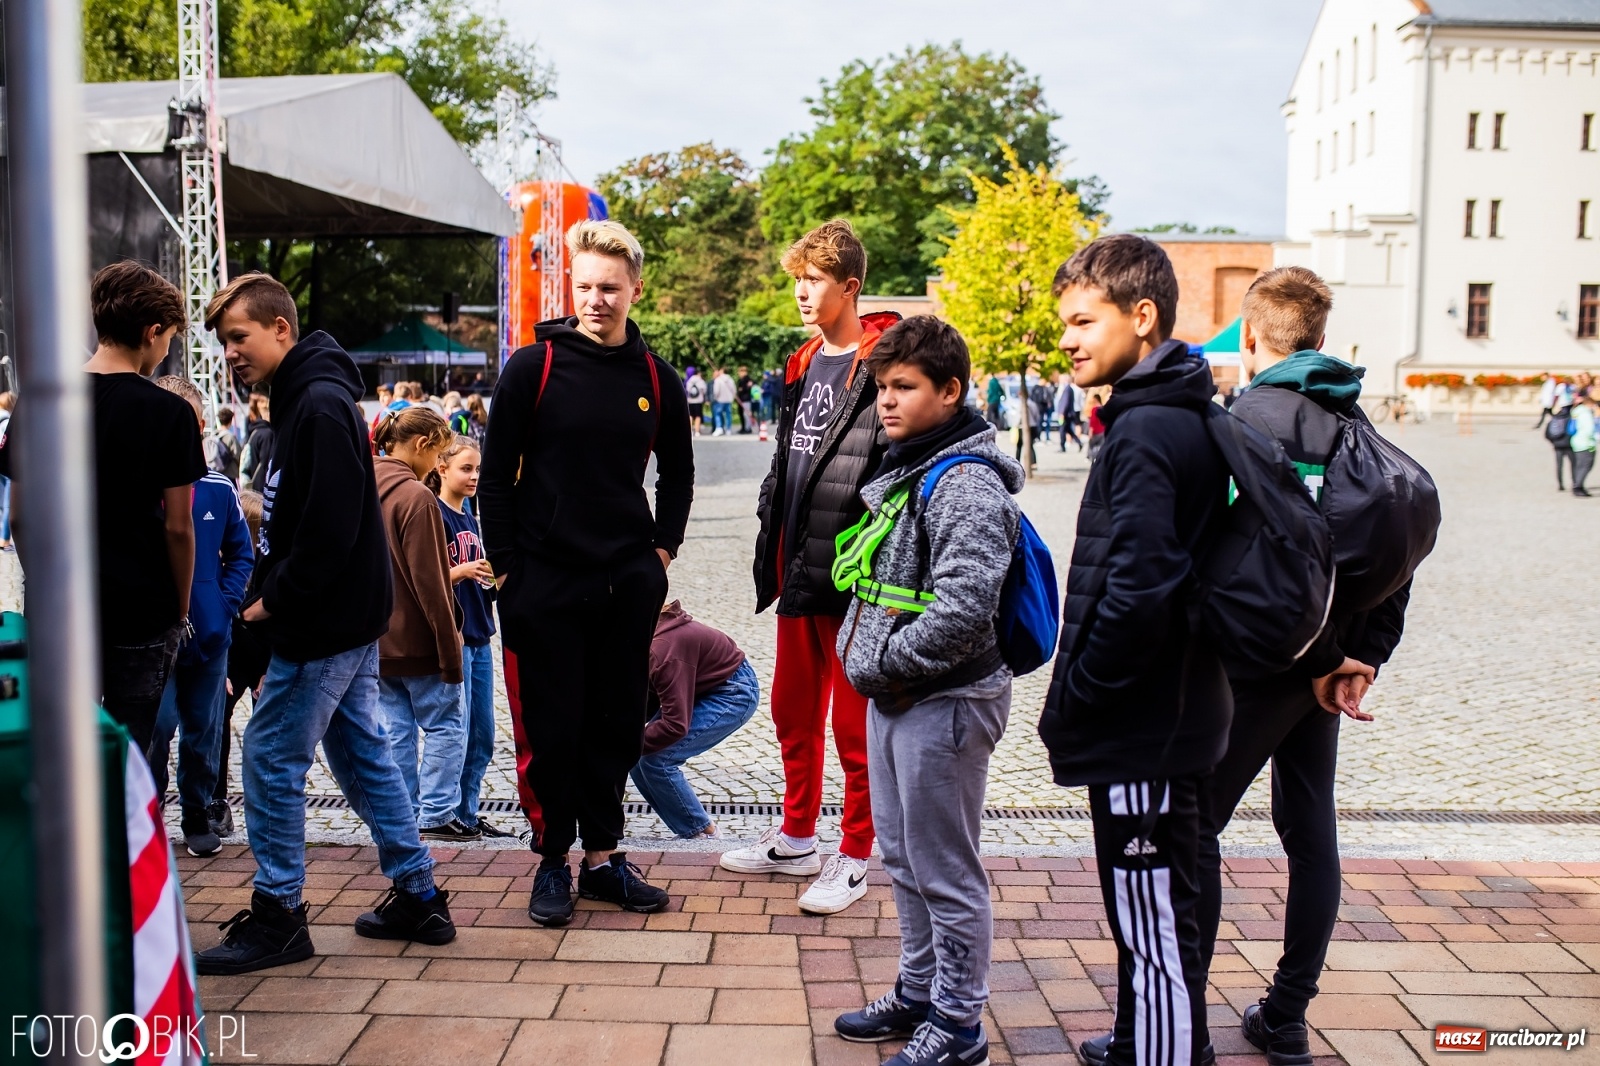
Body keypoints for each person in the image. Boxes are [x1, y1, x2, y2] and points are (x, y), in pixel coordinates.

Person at [195, 272, 453, 976]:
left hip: (323, 619)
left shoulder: (315, 402)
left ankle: (279, 915)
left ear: (280, 328)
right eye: (224, 343)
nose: (231, 354)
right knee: (362, 754)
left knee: (271, 760)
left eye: (239, 337)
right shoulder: (306, 396)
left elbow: (331, 526)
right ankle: (418, 893)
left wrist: (272, 605)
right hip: (339, 613)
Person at [1195, 267, 1404, 1065]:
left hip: (1255, 668)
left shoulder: (1241, 422)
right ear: (1320, 340)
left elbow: (1221, 560)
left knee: (1196, 825)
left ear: (1250, 338)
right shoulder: (1356, 423)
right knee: (1310, 829)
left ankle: (1180, 1017)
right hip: (1327, 665)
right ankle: (1286, 1014)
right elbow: (1397, 550)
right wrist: (1362, 656)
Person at [1036, 235, 1230, 1066]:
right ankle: (1154, 1040)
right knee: (1167, 906)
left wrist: (1085, 691)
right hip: (1176, 711)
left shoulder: (1148, 430)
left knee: (1149, 919)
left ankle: (1159, 1053)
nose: (1069, 340)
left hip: (1143, 721)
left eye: (1084, 320)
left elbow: (1142, 582)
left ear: (1141, 316)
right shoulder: (1180, 413)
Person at [479, 219, 693, 927]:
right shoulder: (531, 367)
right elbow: (494, 478)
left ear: (635, 289)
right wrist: (508, 569)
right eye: (584, 287)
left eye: (610, 287)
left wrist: (659, 554)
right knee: (552, 726)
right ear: (570, 287)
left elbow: (679, 476)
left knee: (615, 727)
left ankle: (603, 859)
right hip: (543, 582)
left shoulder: (657, 379)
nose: (596, 299)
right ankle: (552, 861)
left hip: (626, 582)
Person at [829, 316, 1022, 1066]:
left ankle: (960, 1021)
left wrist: (887, 665)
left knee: (946, 869)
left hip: (942, 701)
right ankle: (917, 992)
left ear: (950, 391)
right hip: (899, 695)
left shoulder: (965, 481)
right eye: (882, 387)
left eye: (904, 387)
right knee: (904, 858)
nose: (887, 401)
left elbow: (965, 607)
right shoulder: (912, 466)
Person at [723, 218, 899, 915]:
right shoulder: (802, 361)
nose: (800, 291)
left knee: (855, 725)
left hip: (856, 571)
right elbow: (786, 459)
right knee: (793, 709)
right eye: (796, 279)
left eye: (814, 280)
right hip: (798, 559)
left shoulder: (885, 358)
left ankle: (855, 852)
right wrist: (772, 519)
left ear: (849, 286)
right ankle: (797, 835)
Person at [0, 262, 204, 753]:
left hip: (61, 606)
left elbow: (21, 516)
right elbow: (179, 528)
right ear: (152, 332)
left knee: (64, 743)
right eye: (170, 339)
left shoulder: (40, 402)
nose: (167, 350)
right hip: (142, 608)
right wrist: (179, 607)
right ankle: (122, 829)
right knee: (128, 749)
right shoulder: (170, 412)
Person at [147, 376, 254, 859]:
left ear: (201, 425)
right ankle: (146, 816)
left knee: (203, 732)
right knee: (156, 727)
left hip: (209, 637)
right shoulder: (138, 488)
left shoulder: (219, 489)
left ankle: (196, 812)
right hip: (151, 635)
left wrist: (223, 605)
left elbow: (241, 554)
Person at [373, 405, 475, 840]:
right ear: (421, 445)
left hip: (377, 637)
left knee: (395, 730)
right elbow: (430, 582)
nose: (437, 466)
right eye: (438, 455)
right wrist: (450, 648)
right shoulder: (416, 496)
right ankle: (435, 814)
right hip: (418, 638)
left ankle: (403, 811)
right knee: (445, 725)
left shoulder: (362, 482)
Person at [430, 434, 513, 836]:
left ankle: (467, 811)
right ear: (441, 468)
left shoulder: (470, 518)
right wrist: (463, 572)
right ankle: (442, 812)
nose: (474, 476)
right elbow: (424, 579)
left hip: (481, 635)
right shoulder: (436, 514)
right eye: (466, 468)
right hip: (457, 637)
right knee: (455, 731)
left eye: (478, 469)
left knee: (483, 733)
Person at [630, 600, 760, 838]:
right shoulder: (643, 634)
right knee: (639, 758)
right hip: (698, 685)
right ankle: (691, 830)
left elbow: (674, 725)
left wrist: (623, 743)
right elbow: (648, 694)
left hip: (733, 691)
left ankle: (703, 834)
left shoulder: (662, 651)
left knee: (657, 759)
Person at [210, 488, 268, 837]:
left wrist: (269, 666)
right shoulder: (220, 563)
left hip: (263, 657)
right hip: (229, 657)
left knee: (267, 732)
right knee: (217, 724)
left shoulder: (266, 563)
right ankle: (216, 798)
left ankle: (265, 802)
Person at [241, 396, 276, 495]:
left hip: (253, 485)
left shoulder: (255, 432)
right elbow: (266, 463)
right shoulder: (267, 434)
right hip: (261, 488)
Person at [205, 405, 243, 484]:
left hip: (215, 473)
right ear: (230, 421)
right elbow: (238, 455)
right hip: (229, 474)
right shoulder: (230, 437)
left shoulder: (213, 435)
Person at [1571, 386, 1597, 497]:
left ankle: (1578, 484)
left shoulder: (1577, 412)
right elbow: (1590, 430)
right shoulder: (1586, 414)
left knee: (1579, 465)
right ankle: (1578, 486)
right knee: (1586, 465)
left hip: (1576, 442)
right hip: (1586, 443)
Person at [1055, 373, 1083, 452]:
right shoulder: (1067, 388)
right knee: (1068, 430)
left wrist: (1062, 413)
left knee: (1062, 430)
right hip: (1067, 414)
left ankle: (1062, 446)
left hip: (1065, 414)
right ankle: (1079, 442)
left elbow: (1065, 402)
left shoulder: (1067, 389)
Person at [0, 392, 13, 551]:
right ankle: (4, 539)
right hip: (8, 463)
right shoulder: (7, 420)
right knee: (8, 504)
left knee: (3, 502)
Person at [711, 366, 736, 436]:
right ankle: (728, 429)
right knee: (728, 415)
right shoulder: (730, 379)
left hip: (720, 400)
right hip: (728, 400)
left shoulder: (718, 380)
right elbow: (734, 390)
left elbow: (716, 391)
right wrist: (732, 397)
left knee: (718, 414)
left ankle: (719, 428)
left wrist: (715, 397)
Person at [684, 367, 707, 435]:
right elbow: (704, 390)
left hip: (690, 401)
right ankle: (697, 431)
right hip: (698, 401)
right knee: (698, 416)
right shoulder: (700, 380)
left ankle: (690, 431)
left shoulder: (689, 380)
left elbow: (687, 390)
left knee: (690, 416)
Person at [736, 365, 755, 433]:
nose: (739, 374)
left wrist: (742, 389)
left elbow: (747, 388)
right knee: (742, 414)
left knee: (746, 414)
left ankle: (748, 428)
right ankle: (743, 427)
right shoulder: (741, 380)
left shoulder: (747, 379)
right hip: (741, 399)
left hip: (746, 399)